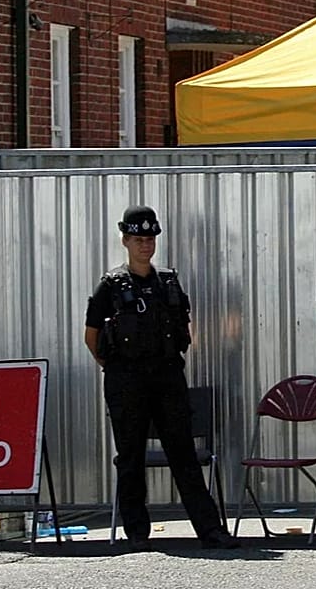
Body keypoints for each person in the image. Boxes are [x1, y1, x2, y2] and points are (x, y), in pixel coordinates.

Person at [84, 205, 238, 552]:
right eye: (138, 239)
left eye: (150, 238)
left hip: (167, 376)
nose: (145, 245)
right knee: (131, 456)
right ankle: (137, 533)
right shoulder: (111, 285)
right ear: (125, 240)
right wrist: (111, 364)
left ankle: (210, 531)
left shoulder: (168, 280)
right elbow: (91, 335)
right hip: (126, 378)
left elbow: (184, 327)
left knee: (183, 454)